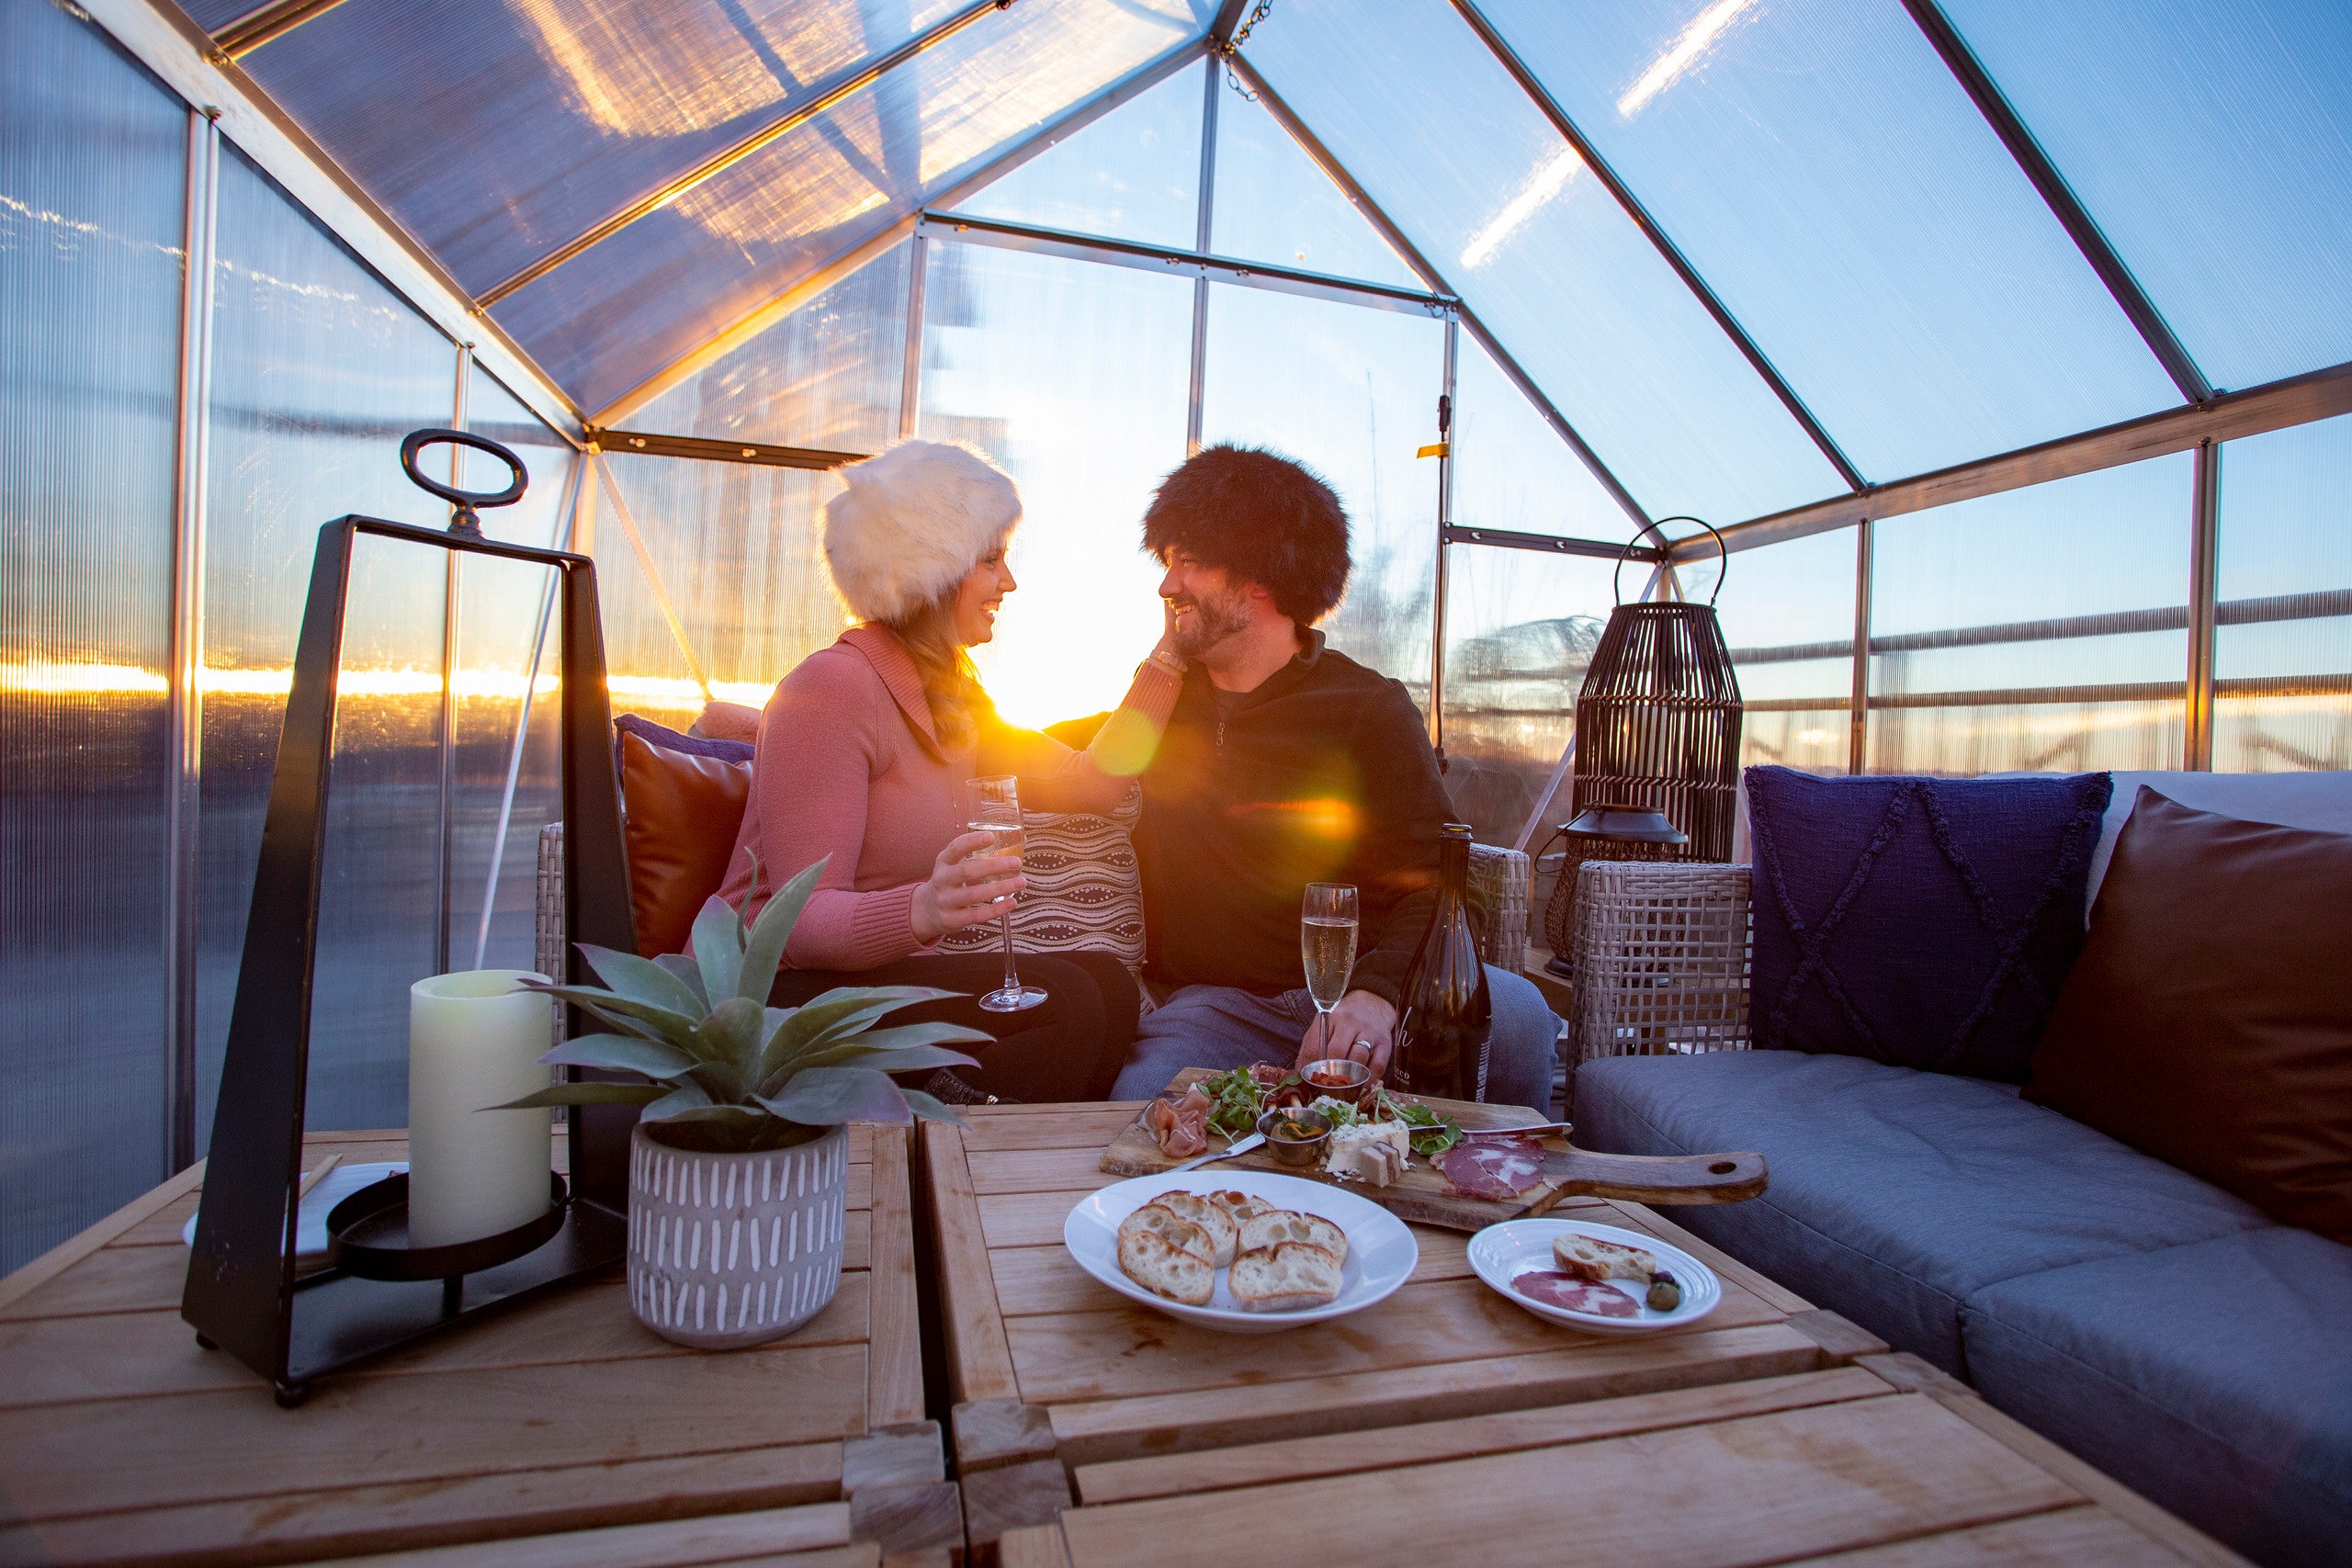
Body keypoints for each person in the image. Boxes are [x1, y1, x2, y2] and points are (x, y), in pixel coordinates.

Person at [718, 440, 1186, 1103]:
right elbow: (797, 923)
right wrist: (927, 906)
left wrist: (1172, 655)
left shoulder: (953, 697)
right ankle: (960, 1173)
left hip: (872, 982)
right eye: (991, 560)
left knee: (1107, 985)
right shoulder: (832, 688)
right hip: (770, 997)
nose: (1010, 581)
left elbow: (1094, 783)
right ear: (929, 571)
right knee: (1072, 1004)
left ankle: (995, 1155)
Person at [1110, 445, 1561, 1111]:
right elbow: (1063, 759)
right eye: (1168, 560)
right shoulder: (1160, 703)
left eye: (1190, 560)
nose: (1167, 585)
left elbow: (1444, 883)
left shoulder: (1367, 708)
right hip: (1217, 1010)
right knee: (1142, 1106)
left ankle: (1491, 1196)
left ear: (1260, 574)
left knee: (1521, 1015)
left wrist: (1376, 994)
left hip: (1361, 996)